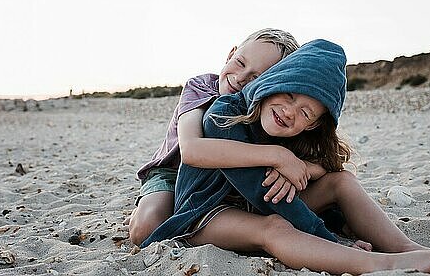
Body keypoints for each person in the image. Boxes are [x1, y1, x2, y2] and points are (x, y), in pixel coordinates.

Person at [142, 39, 430, 274]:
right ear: (274, 84)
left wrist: (304, 166)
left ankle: (406, 246)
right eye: (289, 94)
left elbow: (330, 163)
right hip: (205, 213)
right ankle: (385, 265)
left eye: (307, 113)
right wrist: (332, 240)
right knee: (274, 227)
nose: (290, 112)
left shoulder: (284, 127)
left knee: (341, 181)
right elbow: (266, 198)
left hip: (251, 202)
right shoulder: (222, 114)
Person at [127, 28, 301, 245]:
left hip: (225, 179)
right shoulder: (200, 87)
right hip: (171, 172)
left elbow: (320, 160)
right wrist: (277, 156)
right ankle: (144, 209)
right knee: (147, 230)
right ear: (231, 54)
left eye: (256, 78)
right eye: (240, 62)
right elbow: (191, 150)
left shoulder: (266, 108)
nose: (240, 78)